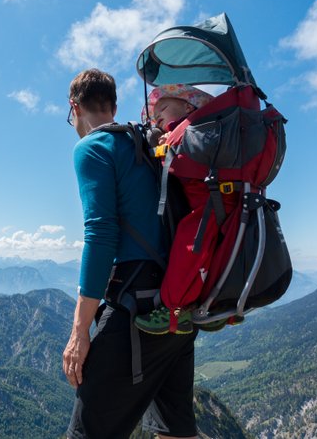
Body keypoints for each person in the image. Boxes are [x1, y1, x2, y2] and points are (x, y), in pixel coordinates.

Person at [63, 69, 199, 439]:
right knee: (174, 431)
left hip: (136, 312)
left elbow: (101, 235)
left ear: (74, 108)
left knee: (86, 433)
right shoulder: (149, 143)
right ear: (114, 105)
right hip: (177, 305)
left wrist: (79, 332)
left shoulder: (92, 148)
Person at [134, 84, 216, 335]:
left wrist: (161, 147)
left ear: (189, 107)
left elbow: (180, 165)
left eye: (164, 109)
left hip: (206, 207)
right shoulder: (205, 130)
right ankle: (215, 306)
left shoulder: (188, 132)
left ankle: (174, 311)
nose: (157, 117)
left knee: (186, 251)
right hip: (218, 205)